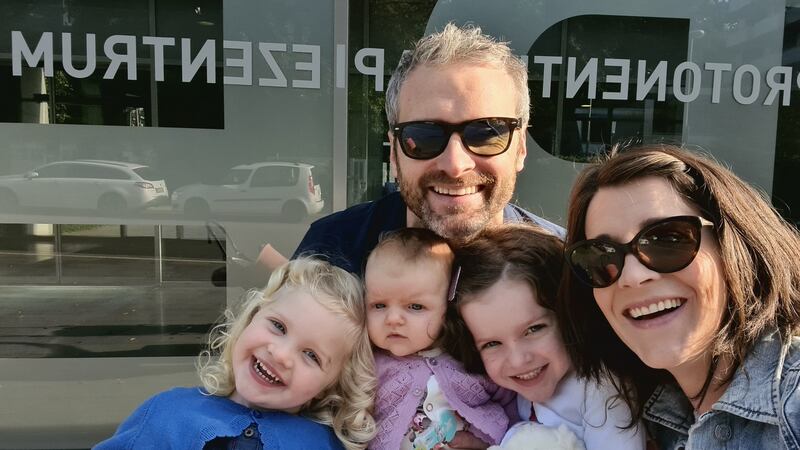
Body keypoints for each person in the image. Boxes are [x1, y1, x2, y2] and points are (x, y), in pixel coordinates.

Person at [559, 143, 800, 449]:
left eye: (667, 239)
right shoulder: (641, 418)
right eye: (599, 257)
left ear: (735, 245)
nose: (633, 277)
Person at [293, 23, 562, 273]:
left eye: (485, 134)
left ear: (521, 149)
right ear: (394, 155)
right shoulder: (331, 253)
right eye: (425, 137)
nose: (456, 165)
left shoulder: (560, 268)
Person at [95, 258, 376, 450]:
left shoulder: (320, 444)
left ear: (329, 386)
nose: (280, 355)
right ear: (251, 317)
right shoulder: (167, 411)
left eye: (311, 355)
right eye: (278, 326)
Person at [454, 224, 645, 449]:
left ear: (569, 314)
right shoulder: (514, 390)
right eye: (492, 344)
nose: (518, 360)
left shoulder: (601, 392)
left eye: (534, 329)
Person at [364, 228, 516, 450]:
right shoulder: (367, 366)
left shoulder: (469, 359)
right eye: (379, 305)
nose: (393, 319)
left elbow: (510, 402)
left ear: (447, 309)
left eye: (415, 306)